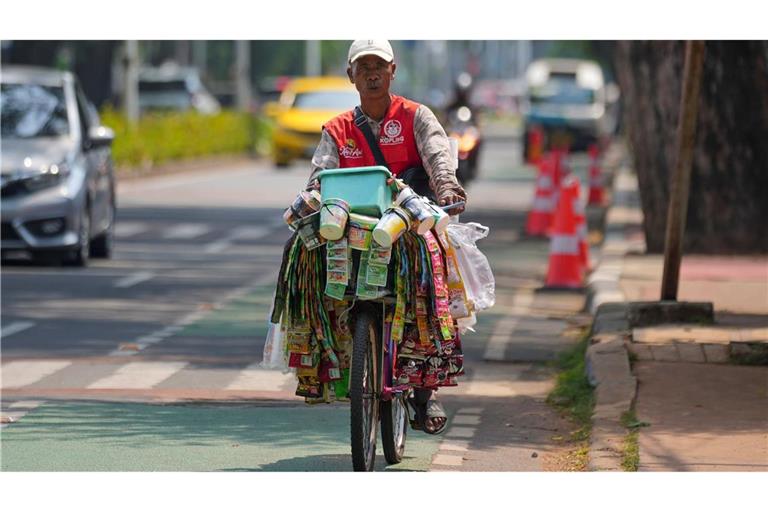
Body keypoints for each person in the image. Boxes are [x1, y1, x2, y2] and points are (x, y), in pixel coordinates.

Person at [306, 39, 467, 435]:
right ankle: (332, 362)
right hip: (351, 231)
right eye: (364, 68)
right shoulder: (337, 129)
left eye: (379, 66)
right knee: (309, 266)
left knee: (432, 286)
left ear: (392, 71)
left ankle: (425, 393)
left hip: (408, 227)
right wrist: (308, 202)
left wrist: (446, 188)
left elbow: (438, 158)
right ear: (352, 76)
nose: (372, 74)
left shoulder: (416, 116)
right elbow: (318, 179)